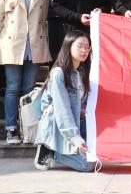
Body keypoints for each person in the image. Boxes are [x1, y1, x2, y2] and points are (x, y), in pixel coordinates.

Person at [0, 0, 51, 144]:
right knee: (12, 87)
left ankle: (28, 127)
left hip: (34, 43)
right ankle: (11, 128)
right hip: (13, 43)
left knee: (29, 88)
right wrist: (6, 37)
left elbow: (44, 18)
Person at [33, 30, 94, 173]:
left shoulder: (81, 72)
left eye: (87, 47)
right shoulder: (58, 74)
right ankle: (51, 150)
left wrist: (82, 111)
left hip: (74, 121)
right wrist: (76, 139)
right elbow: (62, 110)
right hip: (57, 125)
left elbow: (78, 103)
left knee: (96, 157)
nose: (84, 50)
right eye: (80, 46)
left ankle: (62, 150)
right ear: (68, 46)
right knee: (87, 165)